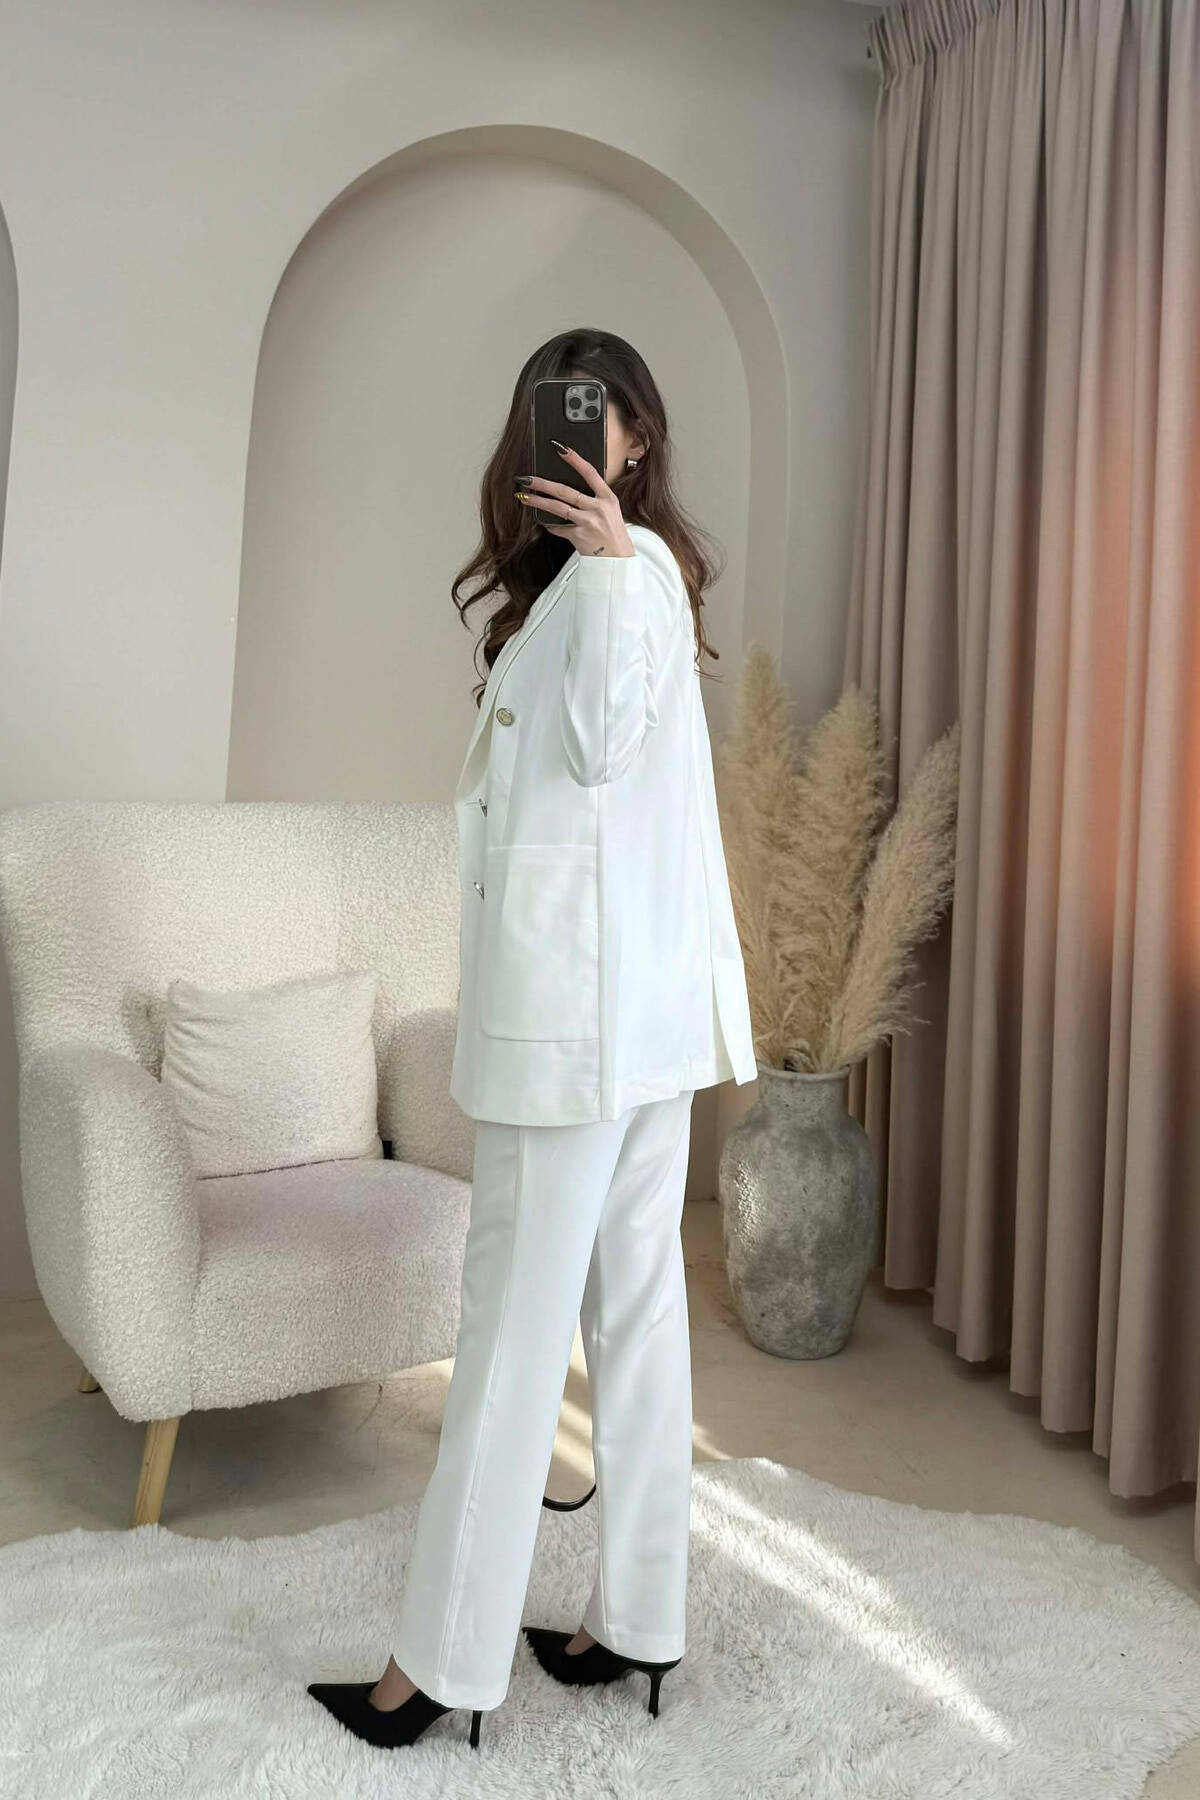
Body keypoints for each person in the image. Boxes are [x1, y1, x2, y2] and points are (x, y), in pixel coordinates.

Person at [307, 329, 757, 1751]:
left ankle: (435, 1668)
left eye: (603, 413)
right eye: (557, 414)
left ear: (638, 438)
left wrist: (612, 565)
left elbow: (605, 749)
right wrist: (603, 572)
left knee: (510, 1336)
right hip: (633, 1022)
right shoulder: (597, 585)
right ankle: (639, 1622)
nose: (579, 435)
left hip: (579, 1030)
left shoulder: (629, 576)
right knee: (636, 1315)